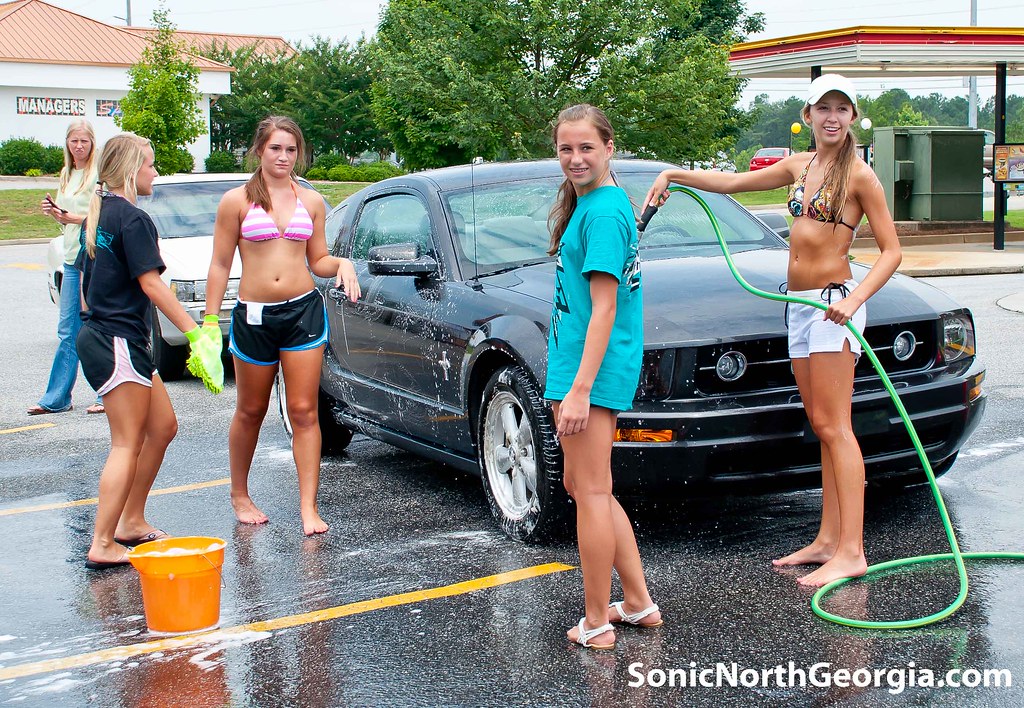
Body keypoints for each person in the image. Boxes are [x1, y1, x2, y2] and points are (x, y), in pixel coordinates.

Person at [644, 74, 902, 587]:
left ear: (852, 117)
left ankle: (852, 549)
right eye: (822, 108)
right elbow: (732, 183)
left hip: (834, 305)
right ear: (807, 116)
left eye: (841, 108)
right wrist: (675, 174)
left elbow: (892, 251)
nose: (832, 117)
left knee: (836, 427)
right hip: (798, 307)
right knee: (821, 426)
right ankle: (828, 540)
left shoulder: (859, 176)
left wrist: (853, 300)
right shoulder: (797, 167)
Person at [204, 116, 360, 536]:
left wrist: (342, 264)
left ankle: (308, 508)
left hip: (302, 312)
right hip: (253, 315)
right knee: (250, 410)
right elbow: (220, 265)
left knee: (305, 411)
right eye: (276, 148)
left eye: (291, 150)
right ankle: (240, 494)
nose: (284, 157)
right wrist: (207, 321)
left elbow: (318, 260)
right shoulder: (235, 201)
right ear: (259, 150)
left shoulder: (310, 202)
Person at [545, 104, 661, 650]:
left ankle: (596, 621)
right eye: (566, 148)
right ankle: (636, 603)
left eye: (586, 147)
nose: (575, 158)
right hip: (577, 366)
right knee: (585, 485)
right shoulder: (593, 205)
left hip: (589, 373)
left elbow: (606, 308)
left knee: (590, 492)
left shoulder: (606, 213)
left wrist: (580, 390)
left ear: (609, 148)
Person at [76, 133, 214, 569]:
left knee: (164, 426)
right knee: (126, 443)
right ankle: (102, 541)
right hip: (117, 341)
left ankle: (130, 521)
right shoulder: (133, 219)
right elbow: (152, 284)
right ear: (133, 169)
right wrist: (197, 334)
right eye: (151, 164)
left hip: (114, 339)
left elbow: (83, 290)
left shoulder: (99, 216)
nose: (155, 172)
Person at [29, 119, 104, 416]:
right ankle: (57, 397)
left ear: (92, 143)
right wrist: (54, 213)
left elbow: (98, 214)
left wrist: (72, 217)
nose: (79, 146)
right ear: (68, 144)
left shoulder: (97, 174)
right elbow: (66, 217)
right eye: (74, 141)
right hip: (71, 257)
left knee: (94, 326)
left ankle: (105, 394)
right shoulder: (66, 174)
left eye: (84, 141)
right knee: (67, 330)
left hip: (92, 256)